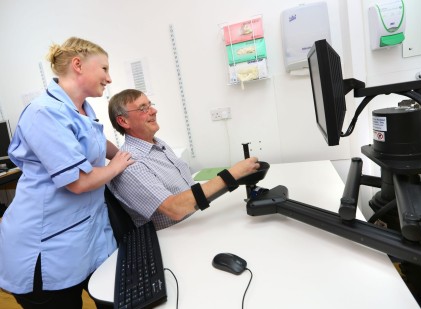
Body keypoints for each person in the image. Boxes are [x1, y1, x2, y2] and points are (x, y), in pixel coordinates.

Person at [0, 37, 134, 309]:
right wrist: (116, 166)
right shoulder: (44, 113)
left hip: (82, 238)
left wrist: (131, 151)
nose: (109, 78)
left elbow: (95, 142)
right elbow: (78, 182)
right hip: (43, 249)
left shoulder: (82, 108)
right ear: (78, 65)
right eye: (105, 69)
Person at [107, 89, 260, 230]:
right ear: (123, 121)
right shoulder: (131, 164)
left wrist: (236, 178)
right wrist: (232, 175)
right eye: (143, 108)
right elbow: (174, 209)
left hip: (196, 220)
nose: (153, 111)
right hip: (176, 236)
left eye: (150, 105)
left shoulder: (158, 144)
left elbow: (189, 192)